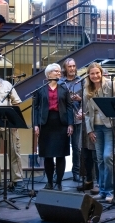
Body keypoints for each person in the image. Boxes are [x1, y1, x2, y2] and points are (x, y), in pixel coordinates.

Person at [34, 63, 74, 191]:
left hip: (61, 124)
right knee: (48, 155)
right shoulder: (40, 89)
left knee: (61, 155)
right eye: (56, 71)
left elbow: (69, 107)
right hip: (45, 124)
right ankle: (49, 182)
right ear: (49, 74)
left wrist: (70, 124)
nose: (59, 73)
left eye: (59, 71)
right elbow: (35, 108)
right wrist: (35, 124)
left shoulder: (64, 88)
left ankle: (59, 183)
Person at [84, 62, 115, 202]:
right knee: (99, 160)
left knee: (107, 157)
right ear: (89, 75)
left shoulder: (111, 85)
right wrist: (89, 130)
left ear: (101, 72)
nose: (95, 76)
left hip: (109, 126)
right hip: (96, 128)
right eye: (92, 73)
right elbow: (87, 113)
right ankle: (103, 190)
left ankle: (110, 190)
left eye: (97, 73)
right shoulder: (87, 89)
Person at [60, 58, 83, 182]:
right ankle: (59, 173)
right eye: (70, 67)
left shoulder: (81, 81)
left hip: (77, 118)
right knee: (62, 147)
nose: (72, 69)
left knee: (76, 147)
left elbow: (87, 99)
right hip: (63, 119)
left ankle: (76, 172)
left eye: (74, 66)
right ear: (65, 68)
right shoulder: (60, 82)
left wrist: (80, 100)